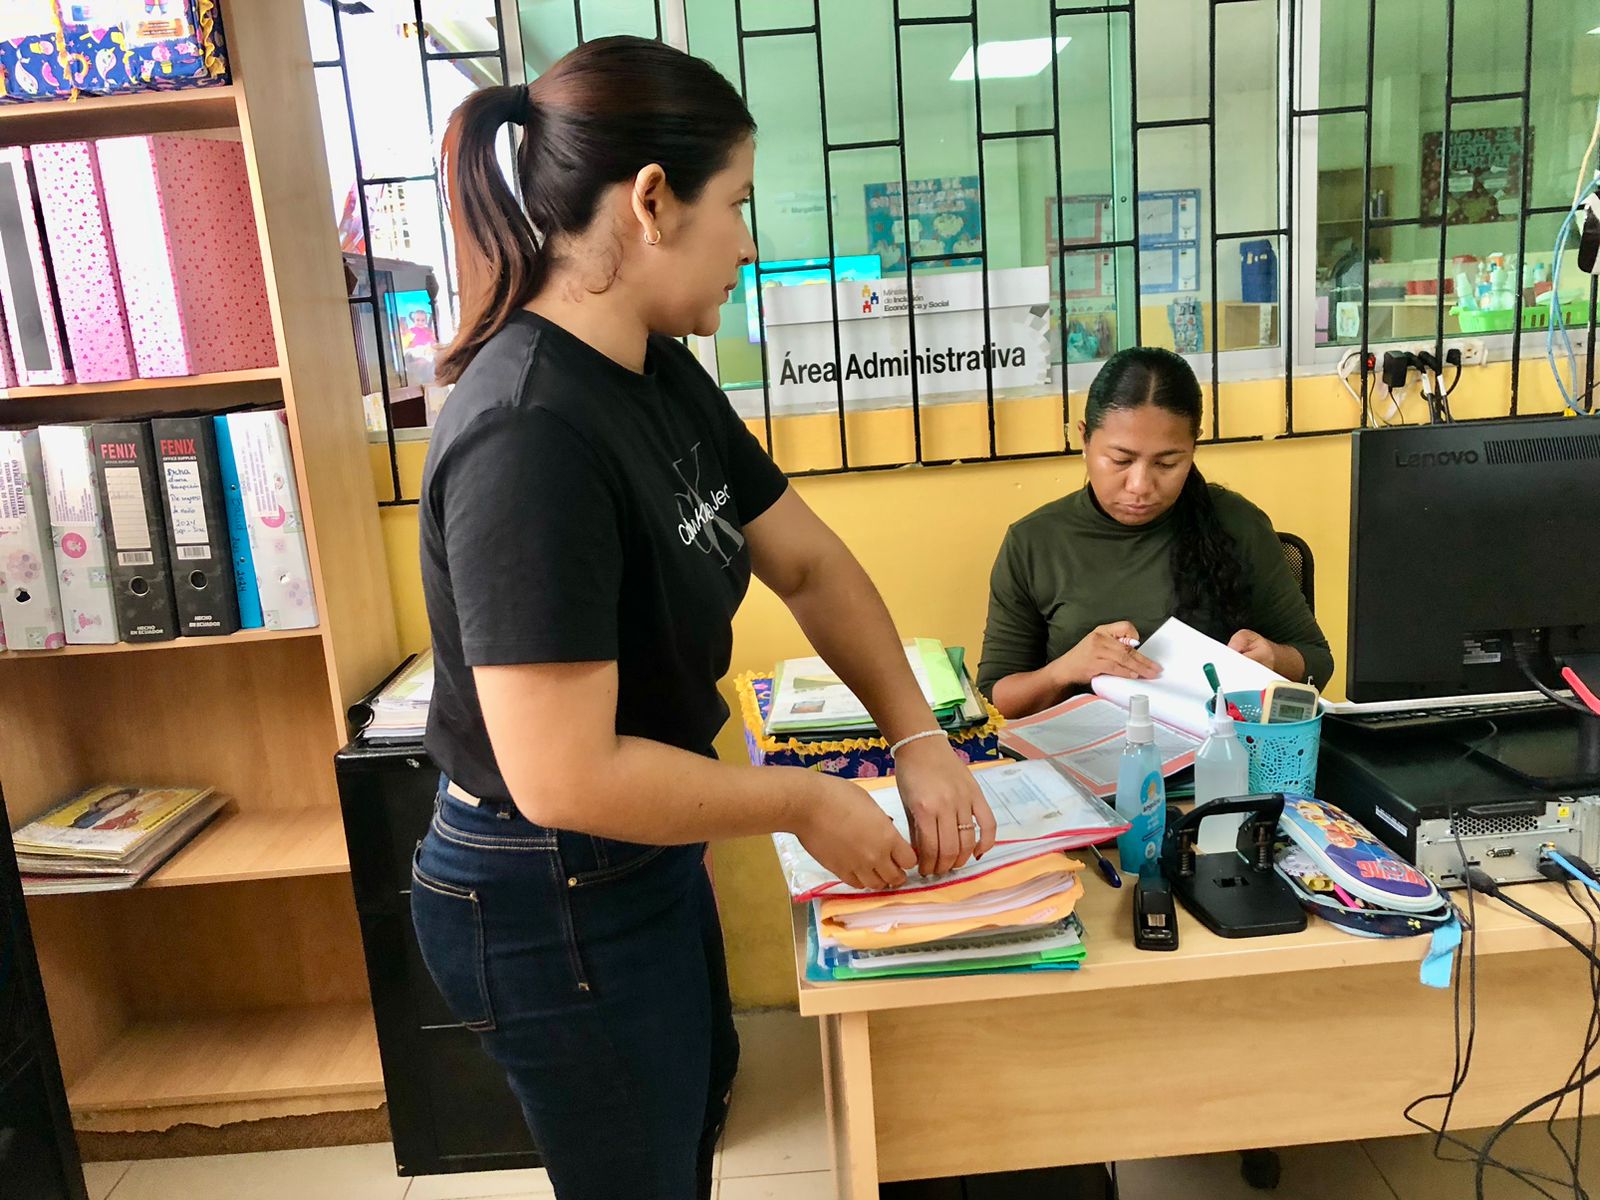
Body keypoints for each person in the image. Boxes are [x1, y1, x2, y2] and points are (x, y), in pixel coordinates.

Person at [411, 36, 993, 1200]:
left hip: (641, 855)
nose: (746, 243)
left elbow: (810, 565)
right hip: (547, 888)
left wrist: (918, 735)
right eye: (736, 204)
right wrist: (803, 801)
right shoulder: (530, 434)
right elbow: (563, 776)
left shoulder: (655, 370)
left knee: (685, 1138)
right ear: (650, 202)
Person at [978, 346, 1333, 718]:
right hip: (1083, 748)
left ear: (1193, 446)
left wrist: (1273, 658)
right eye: (1121, 460)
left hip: (1216, 744)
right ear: (1084, 439)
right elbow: (995, 698)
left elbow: (1317, 661)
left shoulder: (1236, 523)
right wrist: (1064, 670)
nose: (1140, 486)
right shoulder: (1033, 543)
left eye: (1167, 463)